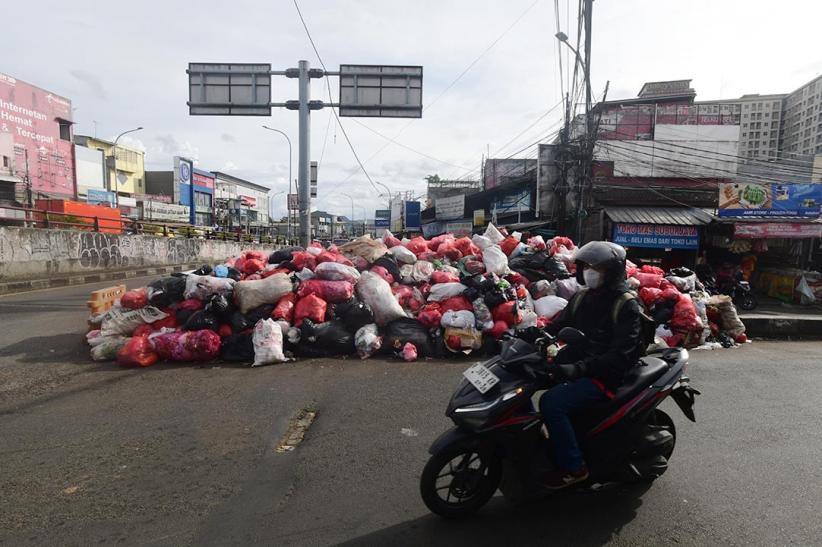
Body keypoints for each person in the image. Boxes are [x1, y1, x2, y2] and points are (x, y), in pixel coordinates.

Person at [539, 241, 643, 489]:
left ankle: (575, 468)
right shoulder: (582, 297)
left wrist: (579, 369)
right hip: (580, 362)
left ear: (613, 271)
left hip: (606, 376)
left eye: (597, 267)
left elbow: (619, 356)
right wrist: (530, 334)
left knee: (551, 402)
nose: (590, 271)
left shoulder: (626, 304)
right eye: (586, 266)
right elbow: (557, 326)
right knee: (535, 377)